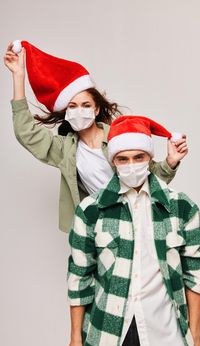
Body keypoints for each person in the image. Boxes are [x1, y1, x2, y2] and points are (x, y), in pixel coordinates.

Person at [4, 40, 188, 233]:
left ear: (96, 108)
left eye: (85, 105)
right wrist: (18, 76)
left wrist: (171, 162)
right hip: (101, 230)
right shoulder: (65, 150)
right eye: (72, 106)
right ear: (65, 112)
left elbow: (151, 178)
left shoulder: (119, 137)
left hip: (140, 221)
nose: (79, 111)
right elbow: (27, 133)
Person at [67, 116, 200, 346]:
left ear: (150, 158)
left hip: (165, 333)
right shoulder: (90, 211)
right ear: (113, 160)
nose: (131, 164)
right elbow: (79, 277)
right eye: (123, 159)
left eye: (138, 157)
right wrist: (75, 339)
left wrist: (195, 336)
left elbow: (195, 275)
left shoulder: (182, 207)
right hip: (107, 333)